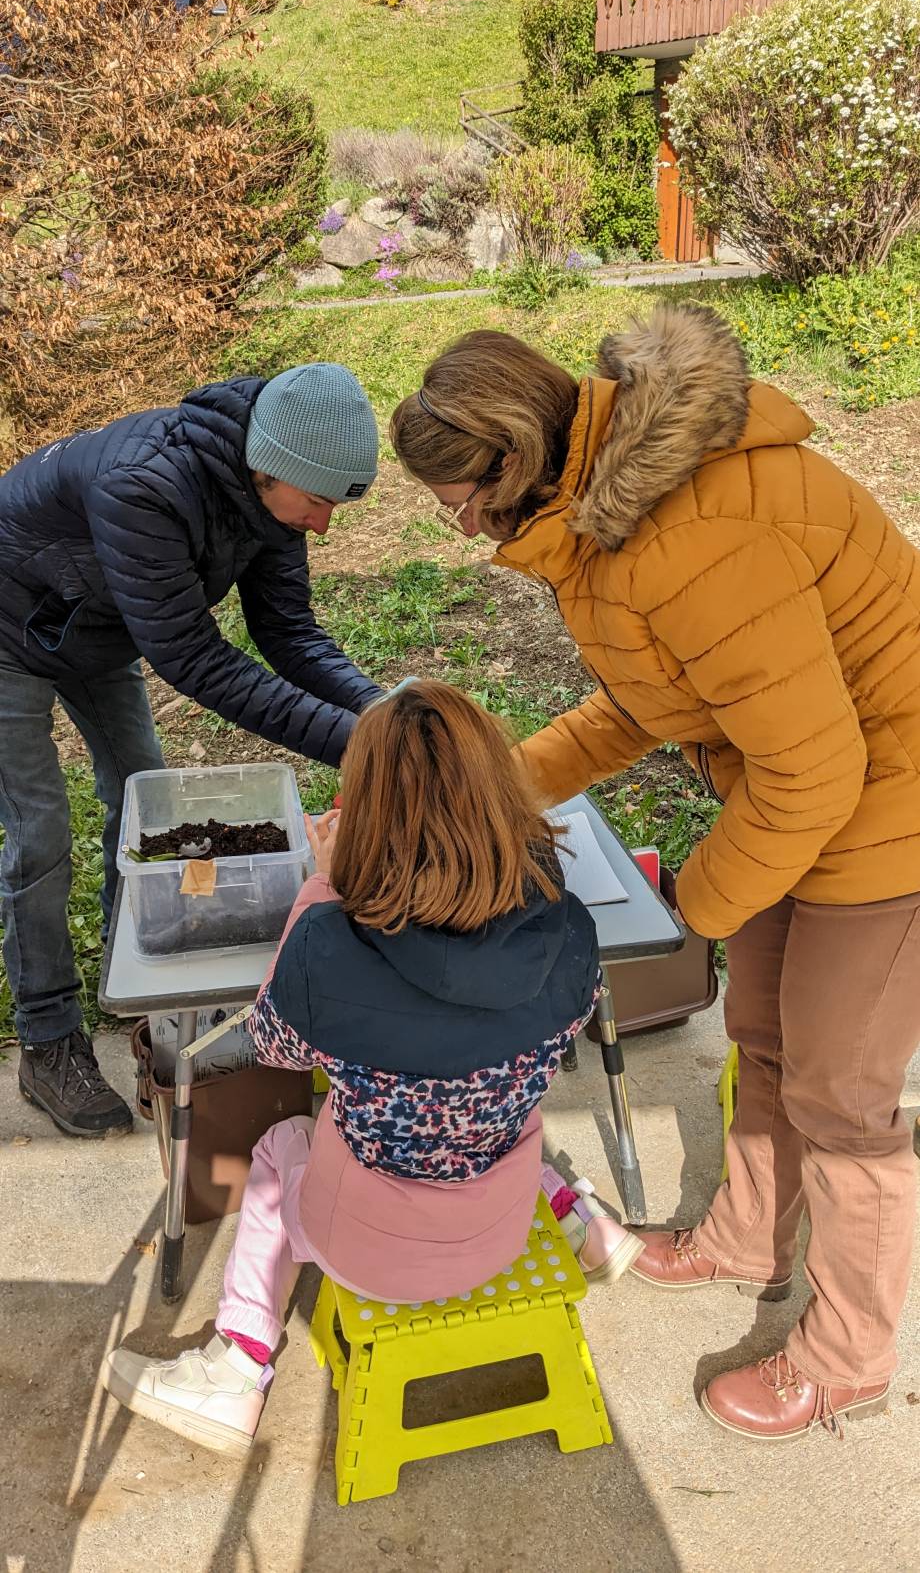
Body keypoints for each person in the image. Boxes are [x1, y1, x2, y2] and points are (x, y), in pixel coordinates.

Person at [390, 306, 920, 1444]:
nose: (462, 527)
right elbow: (642, 701)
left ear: (516, 465)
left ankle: (848, 1357)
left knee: (841, 1099)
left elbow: (811, 770)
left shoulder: (689, 539)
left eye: (461, 506)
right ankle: (743, 1236)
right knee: (763, 1032)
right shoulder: (609, 516)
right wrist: (477, 791)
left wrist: (688, 908)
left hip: (889, 806)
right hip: (808, 784)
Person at [101, 680, 639, 1454]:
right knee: (507, 1101)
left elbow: (275, 1046)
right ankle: (581, 1220)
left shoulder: (327, 947)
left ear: (370, 813)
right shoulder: (572, 929)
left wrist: (323, 884)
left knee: (280, 1148)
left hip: (370, 1250)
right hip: (500, 1227)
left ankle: (238, 1365)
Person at [0, 364, 382, 1139]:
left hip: (100, 627)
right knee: (40, 833)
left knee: (144, 804)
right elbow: (199, 662)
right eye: (317, 503)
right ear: (267, 468)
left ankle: (131, 986)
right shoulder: (144, 485)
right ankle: (48, 1039)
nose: (323, 526)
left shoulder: (275, 493)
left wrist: (382, 713)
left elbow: (290, 635)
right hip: (7, 628)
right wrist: (365, 748)